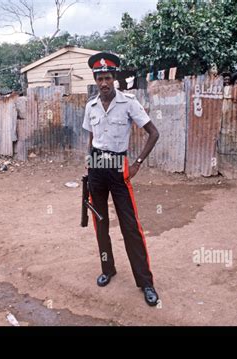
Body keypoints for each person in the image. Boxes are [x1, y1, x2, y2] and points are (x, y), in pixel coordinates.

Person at [82, 52, 161, 306]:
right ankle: (108, 269)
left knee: (130, 225)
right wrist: (89, 161)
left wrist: (137, 163)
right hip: (96, 166)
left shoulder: (128, 103)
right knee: (100, 222)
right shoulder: (91, 106)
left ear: (114, 78)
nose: (104, 83)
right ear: (95, 80)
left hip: (118, 166)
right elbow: (91, 137)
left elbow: (153, 133)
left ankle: (145, 282)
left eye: (107, 78)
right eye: (100, 79)